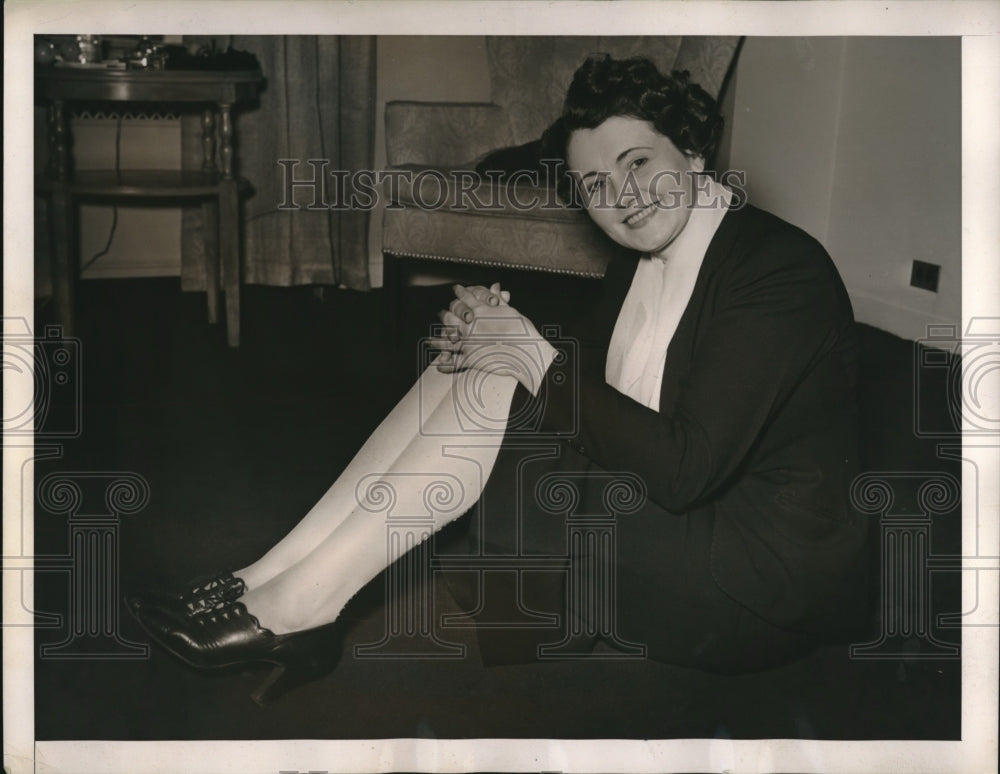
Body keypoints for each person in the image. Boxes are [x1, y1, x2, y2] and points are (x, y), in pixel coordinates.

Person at [129, 54, 870, 704]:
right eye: (594, 185)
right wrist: (488, 333)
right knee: (481, 364)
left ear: (692, 149)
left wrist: (528, 354)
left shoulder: (779, 270)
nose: (622, 197)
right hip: (675, 506)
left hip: (748, 576)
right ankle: (267, 577)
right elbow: (588, 381)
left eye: (637, 163)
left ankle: (301, 610)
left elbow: (683, 469)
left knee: (506, 373)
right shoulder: (646, 256)